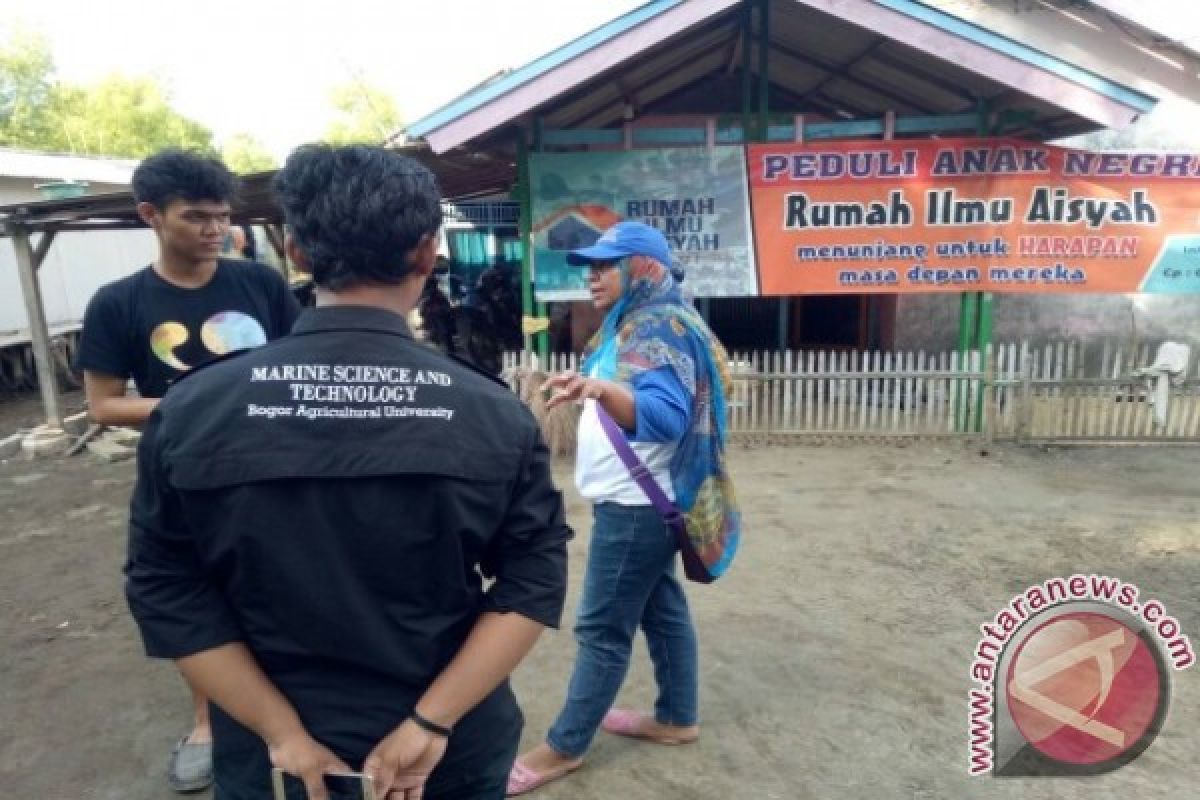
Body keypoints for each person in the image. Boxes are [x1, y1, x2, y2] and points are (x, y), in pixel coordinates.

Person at [124, 143, 571, 800]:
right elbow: (532, 577)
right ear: (427, 253)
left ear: (297, 255)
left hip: (275, 753)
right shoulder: (492, 414)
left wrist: (281, 732)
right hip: (446, 746)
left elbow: (166, 588)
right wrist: (429, 719)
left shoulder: (193, 409)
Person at [74, 148, 299, 793]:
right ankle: (206, 720)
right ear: (151, 216)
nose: (214, 231)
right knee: (196, 600)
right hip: (183, 478)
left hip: (271, 472)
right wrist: (195, 404)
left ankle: (283, 705)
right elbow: (104, 404)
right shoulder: (120, 303)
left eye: (222, 217)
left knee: (279, 589)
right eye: (196, 217)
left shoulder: (259, 286)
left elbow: (296, 366)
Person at [507, 221, 740, 796]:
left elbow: (664, 418)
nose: (590, 275)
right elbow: (643, 395)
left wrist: (601, 391)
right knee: (662, 612)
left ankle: (563, 748)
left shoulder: (654, 327)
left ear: (640, 269)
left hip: (636, 509)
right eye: (589, 265)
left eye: (605, 265)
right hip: (653, 506)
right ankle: (676, 718)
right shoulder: (649, 320)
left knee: (601, 629)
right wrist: (593, 384)